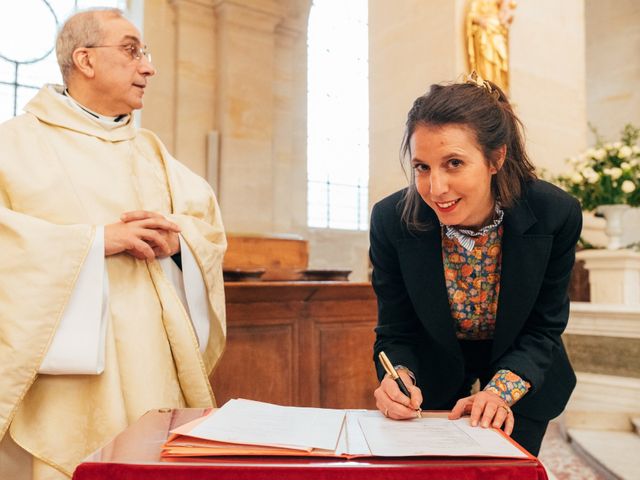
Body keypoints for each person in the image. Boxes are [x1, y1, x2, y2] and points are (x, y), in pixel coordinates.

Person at [0, 8, 226, 479]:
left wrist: (176, 240)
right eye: (131, 50)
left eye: (145, 52)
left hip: (154, 369)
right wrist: (93, 242)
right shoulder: (15, 145)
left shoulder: (151, 152)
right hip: (68, 388)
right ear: (84, 60)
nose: (148, 67)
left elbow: (205, 226)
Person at [370, 74, 582, 456]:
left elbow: (543, 327)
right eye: (422, 167)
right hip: (434, 372)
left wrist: (498, 392)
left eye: (454, 163)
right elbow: (396, 330)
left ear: (495, 158)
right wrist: (397, 375)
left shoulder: (555, 214)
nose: (435, 188)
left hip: (521, 371)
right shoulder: (391, 220)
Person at [465, 0, 516, 93]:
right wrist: (481, 21)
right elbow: (472, 15)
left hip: (498, 37)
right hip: (485, 37)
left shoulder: (498, 5)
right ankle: (487, 88)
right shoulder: (479, 2)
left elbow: (505, 18)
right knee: (487, 63)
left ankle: (499, 89)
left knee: (499, 64)